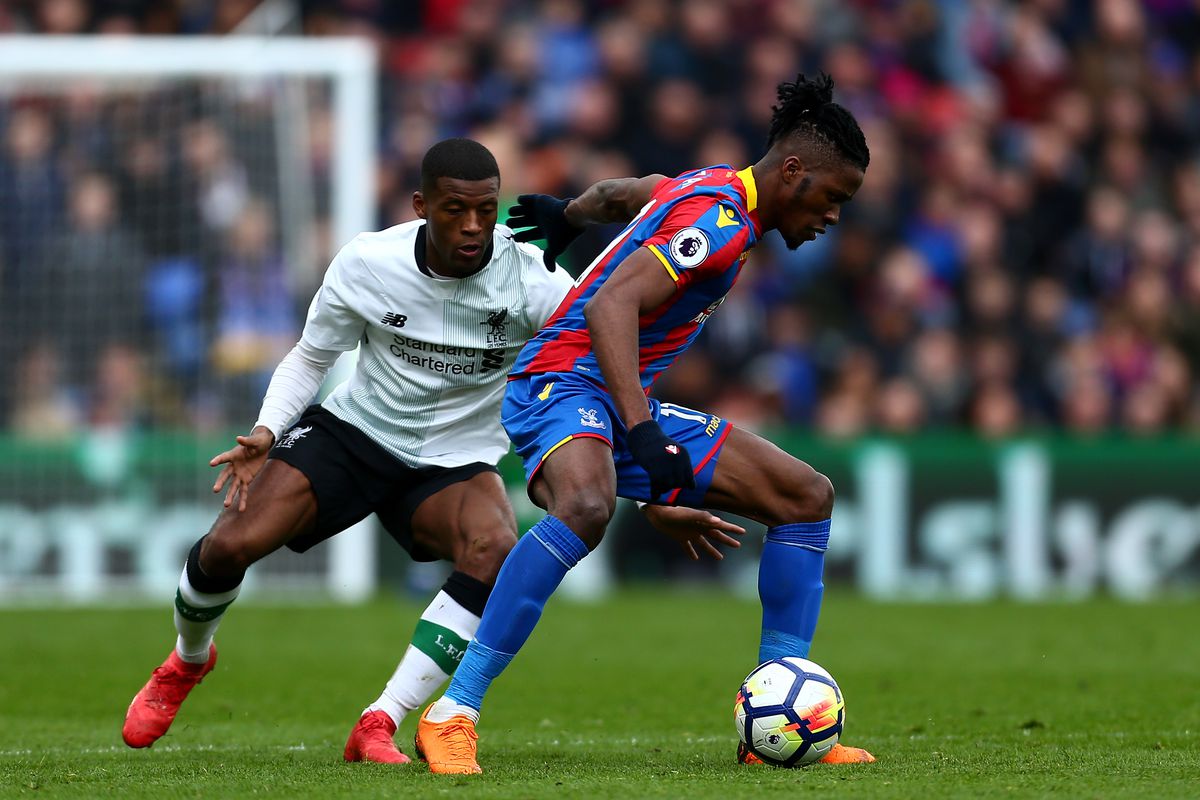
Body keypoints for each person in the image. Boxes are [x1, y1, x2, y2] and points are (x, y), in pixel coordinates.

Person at [121, 138, 739, 763]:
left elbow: (596, 379)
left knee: (494, 547)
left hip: (455, 461)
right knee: (228, 545)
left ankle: (381, 720)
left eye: (486, 210)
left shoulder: (537, 280)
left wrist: (654, 494)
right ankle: (187, 660)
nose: (473, 226)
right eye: (455, 210)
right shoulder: (368, 262)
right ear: (421, 206)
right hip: (356, 433)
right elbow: (312, 356)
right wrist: (267, 430)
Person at [414, 75, 876, 773]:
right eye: (833, 196)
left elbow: (626, 192)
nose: (834, 215)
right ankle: (453, 711)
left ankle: (777, 719)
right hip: (559, 380)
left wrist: (570, 215)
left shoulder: (710, 185)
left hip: (611, 395)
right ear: (792, 171)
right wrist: (643, 436)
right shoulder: (720, 225)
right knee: (585, 506)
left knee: (805, 497)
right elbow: (611, 307)